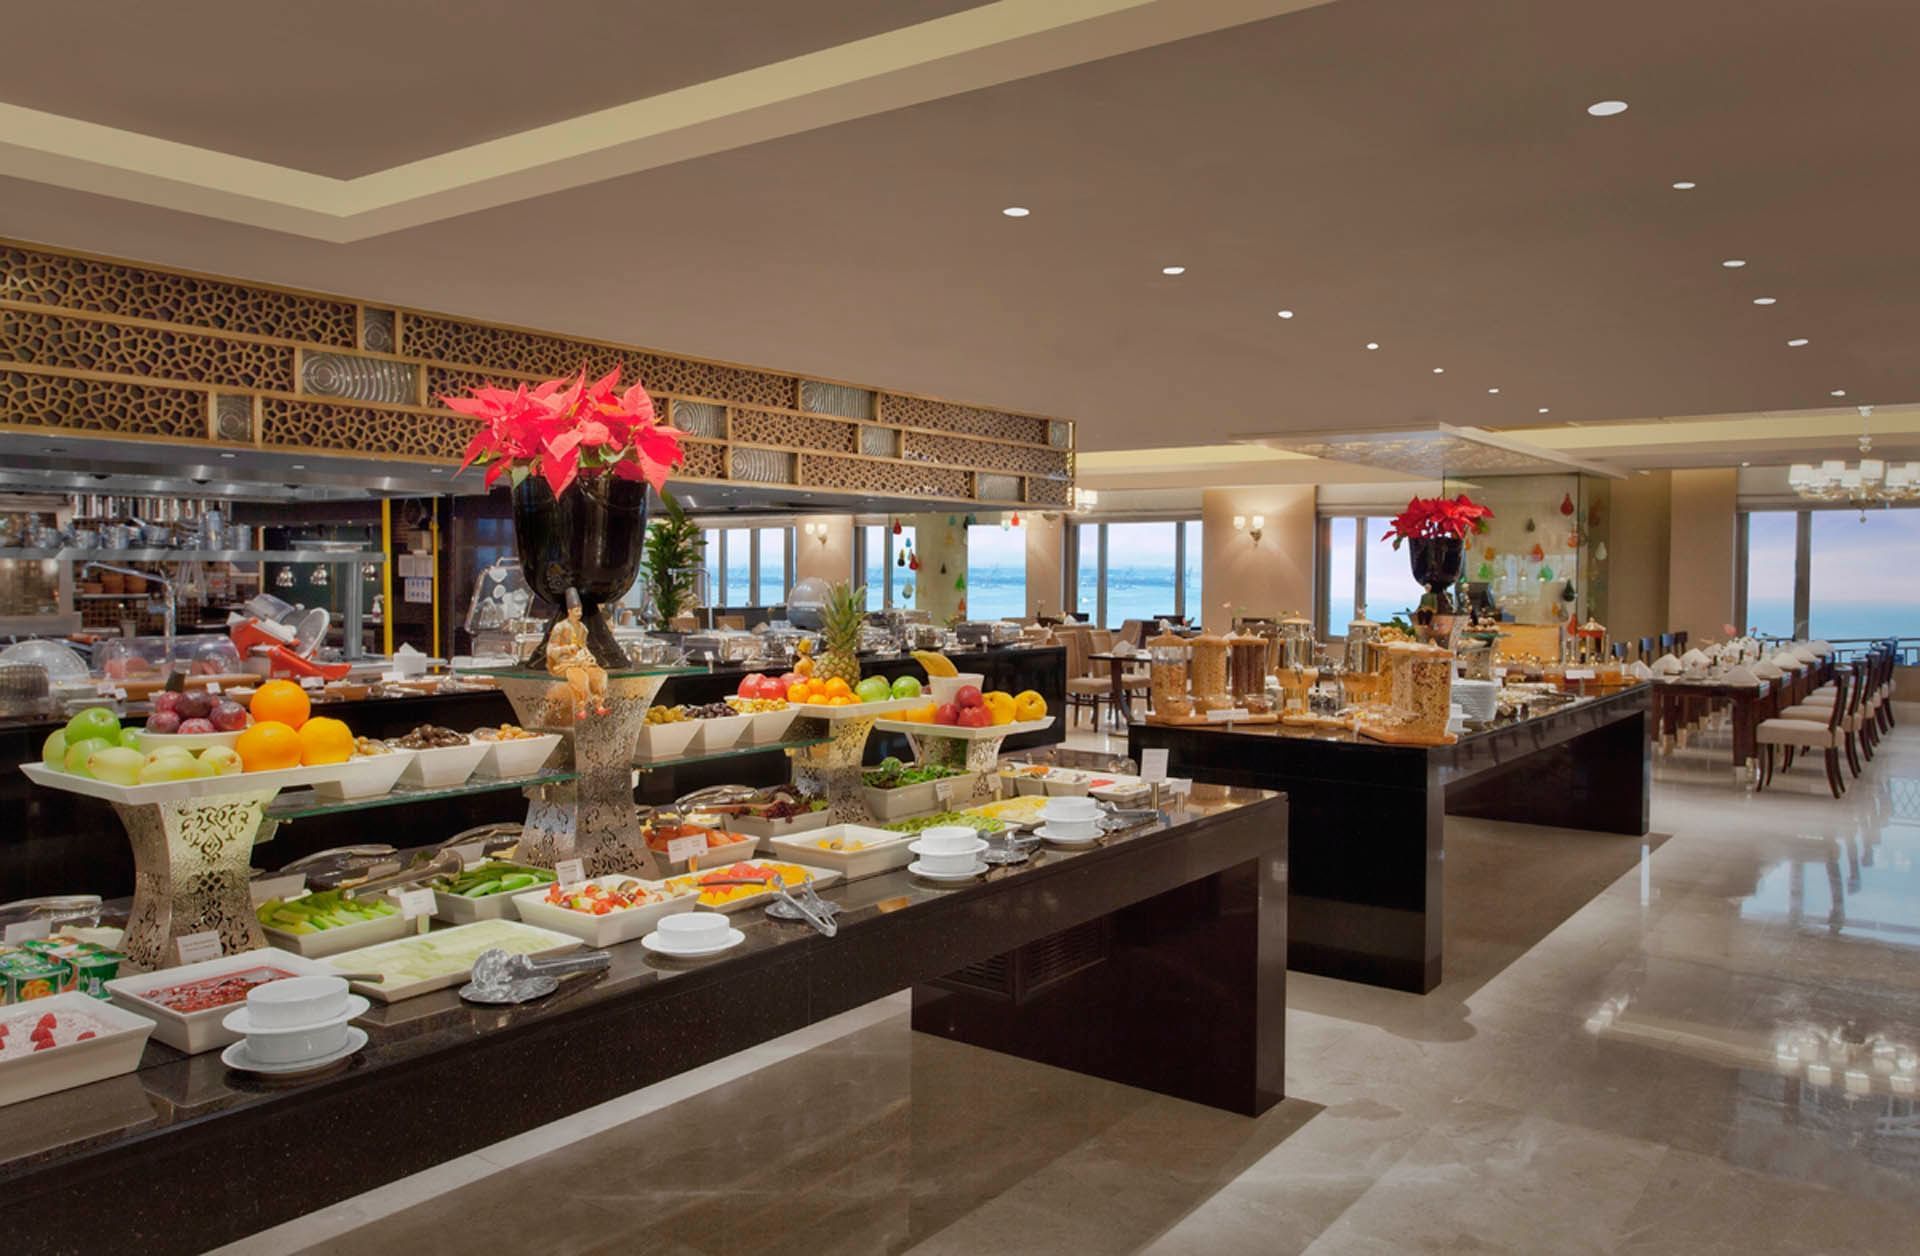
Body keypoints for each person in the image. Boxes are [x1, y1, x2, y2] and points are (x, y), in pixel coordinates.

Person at [546, 589, 609, 717]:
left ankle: (598, 702)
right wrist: (566, 649)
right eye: (576, 611)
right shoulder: (560, 627)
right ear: (569, 611)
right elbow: (551, 650)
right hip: (565, 662)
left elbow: (583, 646)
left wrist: (589, 656)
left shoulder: (582, 628)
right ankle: (581, 706)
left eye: (580, 610)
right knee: (580, 677)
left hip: (580, 660)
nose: (579, 613)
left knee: (599, 674)